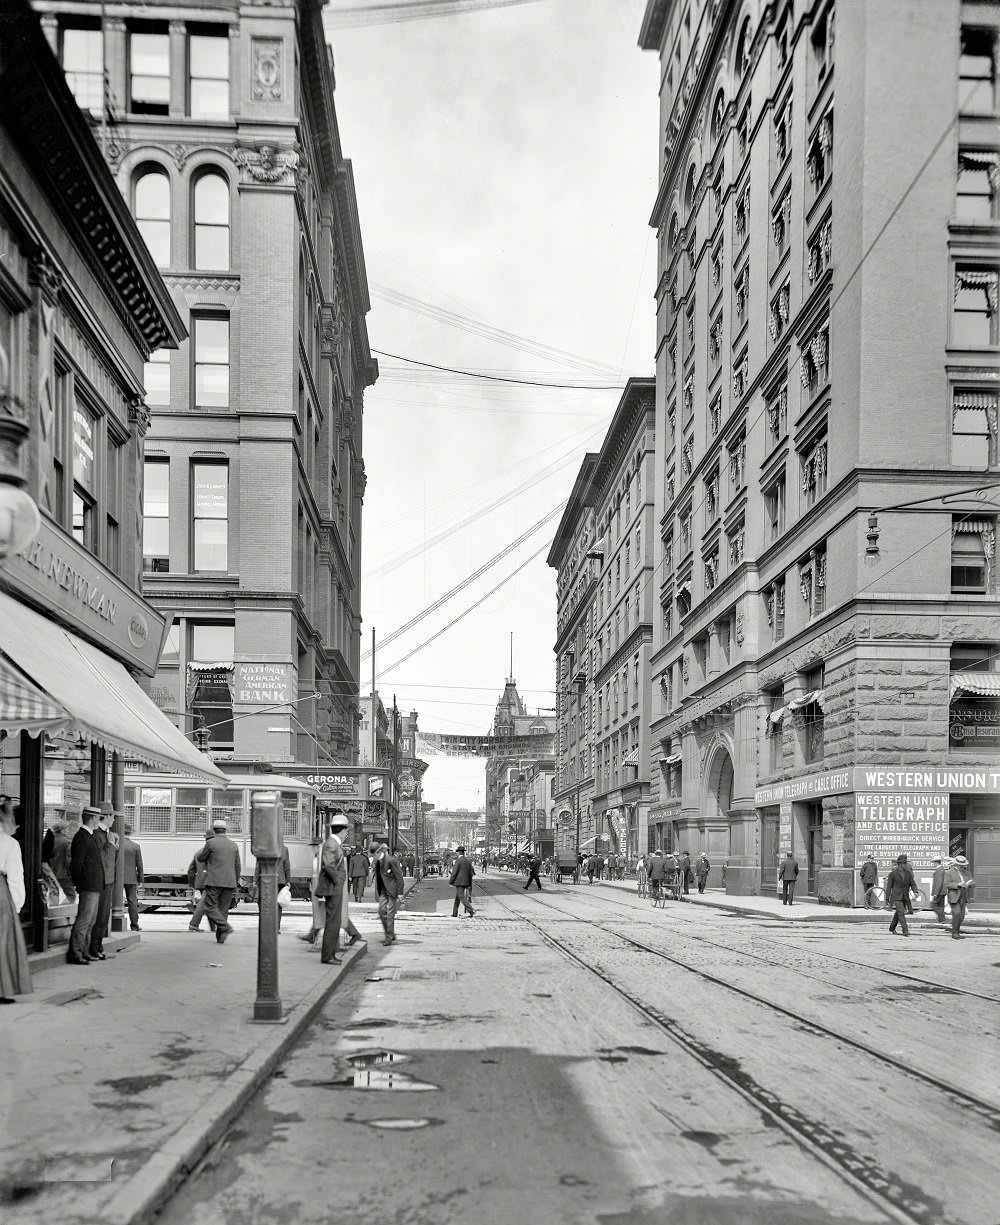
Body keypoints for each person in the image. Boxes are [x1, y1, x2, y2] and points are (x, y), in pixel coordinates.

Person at [0, 806, 32, 1001]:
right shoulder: (10, 843)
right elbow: (15, 877)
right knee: (3, 940)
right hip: (1, 893)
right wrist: (18, 904)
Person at [195, 818, 242, 944]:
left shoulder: (211, 843)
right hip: (230, 882)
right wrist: (235, 881)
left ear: (214, 831)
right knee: (223, 910)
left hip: (214, 881)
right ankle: (220, 937)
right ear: (225, 830)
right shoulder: (234, 845)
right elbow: (238, 866)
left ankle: (225, 927)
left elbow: (201, 858)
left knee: (210, 907)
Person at [68, 806, 104, 964]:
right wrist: (79, 884)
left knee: (90, 920)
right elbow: (76, 865)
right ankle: (76, 952)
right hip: (88, 886)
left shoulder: (87, 836)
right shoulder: (82, 837)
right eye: (98, 818)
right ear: (93, 818)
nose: (99, 820)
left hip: (93, 886)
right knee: (84, 920)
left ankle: (84, 950)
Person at [314, 813, 350, 964]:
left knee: (334, 922)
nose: (347, 834)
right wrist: (338, 879)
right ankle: (328, 956)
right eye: (346, 832)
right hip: (332, 887)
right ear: (342, 831)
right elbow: (329, 865)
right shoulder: (331, 844)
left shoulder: (333, 844)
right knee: (333, 923)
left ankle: (329, 955)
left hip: (333, 887)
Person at [88, 803, 119, 960]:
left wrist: (114, 845)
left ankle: (98, 947)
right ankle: (94, 948)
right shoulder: (98, 835)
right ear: (106, 817)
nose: (114, 820)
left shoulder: (105, 834)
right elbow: (102, 858)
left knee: (104, 916)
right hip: (102, 880)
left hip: (108, 879)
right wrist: (112, 845)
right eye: (112, 816)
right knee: (99, 916)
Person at [371, 842, 404, 946]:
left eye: (374, 855)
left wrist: (400, 893)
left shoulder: (391, 860)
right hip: (383, 891)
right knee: (381, 911)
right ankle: (390, 932)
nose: (373, 857)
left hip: (392, 890)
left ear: (379, 852)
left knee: (390, 914)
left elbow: (399, 877)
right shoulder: (377, 862)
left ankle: (388, 937)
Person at [254, 842, 291, 931]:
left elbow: (258, 865)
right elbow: (287, 866)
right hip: (280, 880)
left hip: (265, 880)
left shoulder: (263, 847)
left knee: (265, 903)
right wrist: (288, 880)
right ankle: (276, 928)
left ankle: (265, 927)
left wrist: (255, 879)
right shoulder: (284, 848)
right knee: (278, 905)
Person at [188, 831, 216, 933]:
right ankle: (193, 924)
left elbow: (191, 870)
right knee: (204, 903)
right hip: (210, 882)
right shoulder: (213, 853)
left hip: (200, 882)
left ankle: (213, 927)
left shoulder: (198, 853)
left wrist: (192, 885)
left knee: (210, 904)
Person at [885, 854, 919, 937]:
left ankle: (892, 928)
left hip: (905, 896)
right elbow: (889, 887)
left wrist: (916, 892)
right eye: (904, 863)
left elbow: (912, 883)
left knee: (898, 913)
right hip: (896, 897)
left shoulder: (908, 874)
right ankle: (905, 930)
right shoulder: (892, 874)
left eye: (905, 863)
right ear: (899, 864)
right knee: (901, 913)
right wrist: (887, 898)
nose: (905, 865)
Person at [46, 814, 76, 903]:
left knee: (54, 895)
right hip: (63, 875)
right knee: (71, 895)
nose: (67, 831)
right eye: (66, 829)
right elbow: (68, 860)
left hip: (52, 874)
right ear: (61, 830)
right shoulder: (65, 843)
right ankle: (64, 914)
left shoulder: (51, 841)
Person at [943, 855, 974, 939]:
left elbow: (972, 882)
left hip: (963, 897)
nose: (963, 866)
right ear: (956, 864)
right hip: (954, 897)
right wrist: (957, 885)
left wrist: (971, 884)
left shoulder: (967, 873)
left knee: (961, 916)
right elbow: (946, 884)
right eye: (961, 865)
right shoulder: (949, 872)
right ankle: (955, 933)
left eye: (963, 865)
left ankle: (956, 930)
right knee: (957, 914)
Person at [121, 824, 144, 932]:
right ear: (130, 833)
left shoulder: (118, 844)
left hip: (118, 878)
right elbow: (139, 864)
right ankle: (134, 925)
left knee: (114, 900)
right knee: (132, 901)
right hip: (131, 878)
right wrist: (140, 879)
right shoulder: (135, 846)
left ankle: (114, 922)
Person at [450, 846, 476, 915]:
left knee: (461, 896)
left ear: (458, 852)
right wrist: (469, 883)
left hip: (459, 882)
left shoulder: (458, 861)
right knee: (457, 898)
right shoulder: (467, 861)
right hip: (466, 882)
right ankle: (454, 913)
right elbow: (471, 872)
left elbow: (454, 872)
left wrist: (451, 881)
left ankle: (471, 910)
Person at [929, 855, 948, 923]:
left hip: (939, 891)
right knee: (940, 906)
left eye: (933, 863)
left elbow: (938, 882)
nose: (933, 864)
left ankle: (942, 917)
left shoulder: (939, 870)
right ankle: (941, 920)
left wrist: (935, 893)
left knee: (933, 905)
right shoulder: (941, 869)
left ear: (936, 863)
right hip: (942, 891)